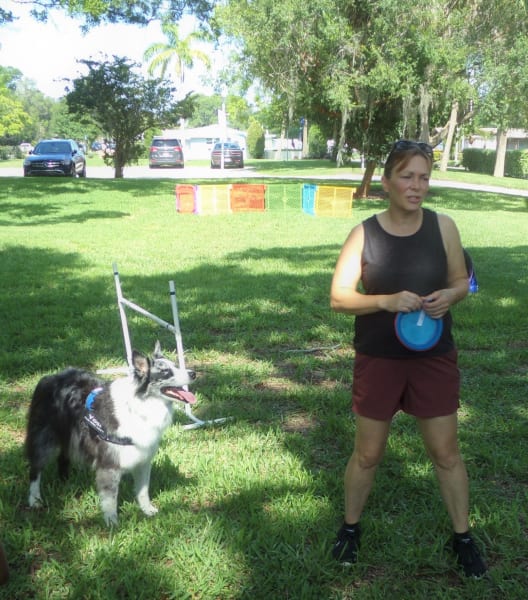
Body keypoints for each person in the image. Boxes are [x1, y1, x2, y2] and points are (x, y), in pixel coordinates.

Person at [329, 140, 487, 578]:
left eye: (424, 177)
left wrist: (449, 297)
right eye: (407, 176)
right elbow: (339, 299)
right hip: (379, 359)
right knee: (368, 454)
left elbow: (461, 281)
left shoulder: (444, 227)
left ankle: (463, 537)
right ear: (386, 181)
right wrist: (385, 301)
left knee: (447, 452)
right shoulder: (365, 234)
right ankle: (350, 528)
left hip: (433, 357)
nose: (417, 186)